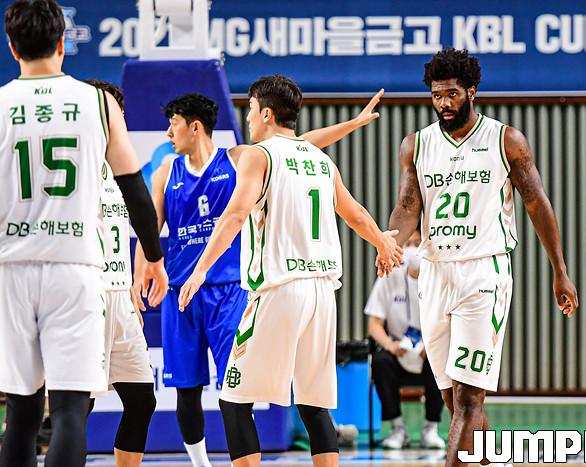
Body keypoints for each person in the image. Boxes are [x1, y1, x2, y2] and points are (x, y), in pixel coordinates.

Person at [133, 90, 385, 466]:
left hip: (245, 289)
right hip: (307, 289)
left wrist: (200, 270)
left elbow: (245, 203)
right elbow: (303, 149)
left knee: (235, 398)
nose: (168, 132)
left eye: (250, 109)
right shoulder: (170, 170)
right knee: (308, 404)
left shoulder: (242, 157)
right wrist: (383, 242)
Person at [387, 48, 578, 466]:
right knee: (452, 400)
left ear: (472, 91)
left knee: (469, 398)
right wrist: (390, 242)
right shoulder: (416, 145)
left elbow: (536, 203)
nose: (443, 103)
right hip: (435, 273)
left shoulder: (506, 140)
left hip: (484, 273)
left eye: (452, 94)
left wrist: (559, 270)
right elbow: (407, 206)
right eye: (436, 95)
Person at [0, 2, 167, 467]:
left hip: (12, 269)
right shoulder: (98, 102)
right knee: (71, 411)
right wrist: (154, 257)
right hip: (76, 269)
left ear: (12, 47)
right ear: (62, 43)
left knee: (22, 413)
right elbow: (133, 186)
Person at [84, 79, 157, 467]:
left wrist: (129, 284)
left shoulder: (120, 169)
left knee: (142, 399)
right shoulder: (79, 166)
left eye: (120, 114)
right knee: (77, 403)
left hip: (119, 295)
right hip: (87, 294)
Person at [365, 230, 445, 450]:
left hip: (428, 351)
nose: (412, 248)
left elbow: (448, 322)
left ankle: (430, 428)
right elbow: (374, 325)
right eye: (408, 243)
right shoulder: (389, 276)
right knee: (380, 362)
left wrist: (431, 345)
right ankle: (397, 428)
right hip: (398, 349)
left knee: (441, 361)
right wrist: (390, 345)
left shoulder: (439, 279)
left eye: (417, 242)